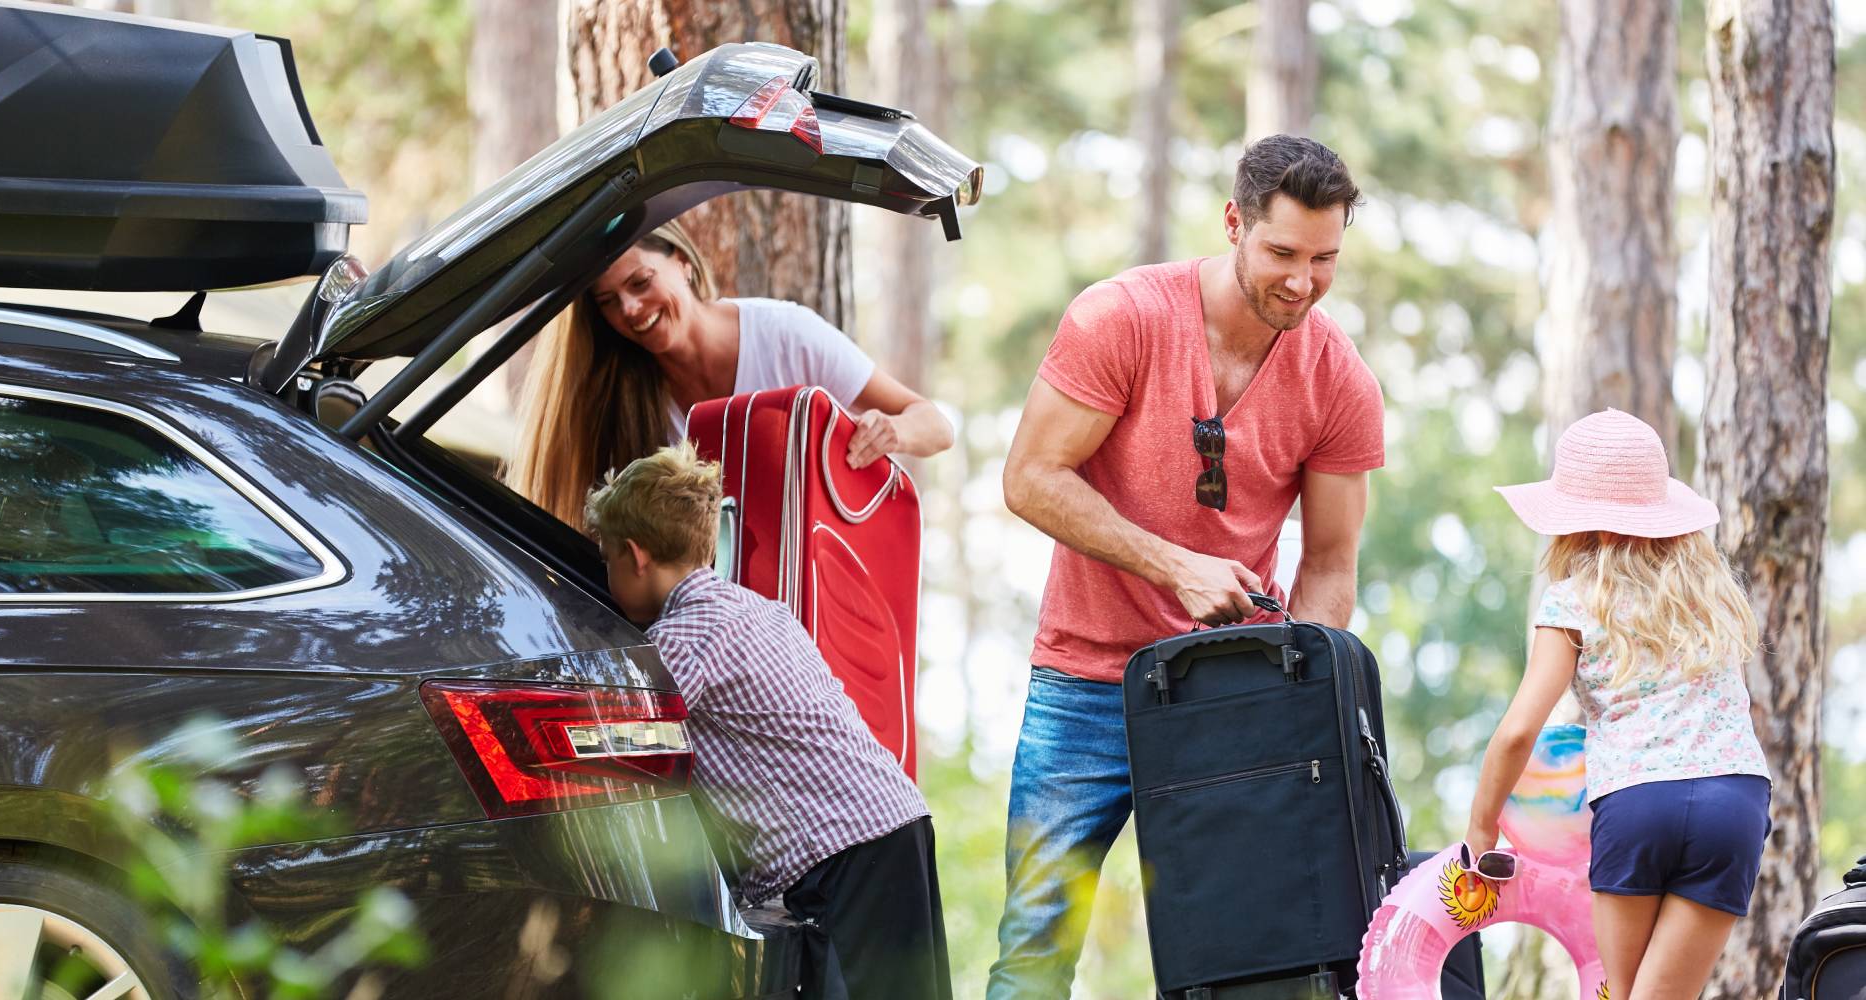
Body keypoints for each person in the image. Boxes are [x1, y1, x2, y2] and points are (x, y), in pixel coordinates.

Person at [989, 134, 1385, 998]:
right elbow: (1028, 479)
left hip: (1234, 695)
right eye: (1282, 252)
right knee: (1034, 951)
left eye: (1325, 260)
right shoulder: (1120, 317)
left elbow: (1328, 563)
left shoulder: (1341, 380)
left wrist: (1295, 702)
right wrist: (1176, 566)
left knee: (1251, 955)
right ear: (1233, 222)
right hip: (1085, 680)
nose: (1302, 280)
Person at [583, 440, 954, 1000]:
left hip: (841, 857)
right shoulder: (761, 611)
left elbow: (620, 739)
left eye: (607, 558)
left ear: (635, 556)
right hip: (896, 824)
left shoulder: (682, 638)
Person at [1466, 408, 1770, 1000]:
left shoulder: (1574, 600)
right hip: (1733, 799)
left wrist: (1481, 829)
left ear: (1576, 521)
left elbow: (1516, 732)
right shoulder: (1710, 597)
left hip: (1637, 801)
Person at [513, 220, 953, 528]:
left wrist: (890, 431)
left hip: (805, 591)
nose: (628, 309)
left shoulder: (786, 335)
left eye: (641, 282)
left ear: (683, 262)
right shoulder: (618, 393)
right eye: (608, 301)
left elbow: (935, 424)